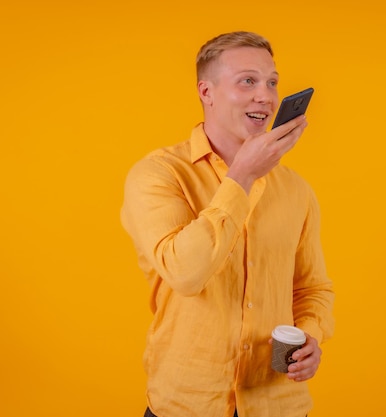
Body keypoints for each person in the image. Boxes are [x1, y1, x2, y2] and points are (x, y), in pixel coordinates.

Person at [120, 31, 335, 417]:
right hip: (186, 404)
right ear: (207, 91)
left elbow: (312, 288)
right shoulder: (158, 175)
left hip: (279, 404)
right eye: (247, 81)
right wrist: (242, 179)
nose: (265, 96)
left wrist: (311, 337)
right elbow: (185, 274)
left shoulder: (297, 191)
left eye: (271, 82)